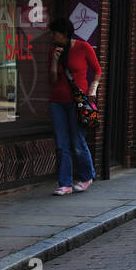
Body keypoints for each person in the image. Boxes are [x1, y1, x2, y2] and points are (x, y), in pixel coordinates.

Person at [48, 18, 100, 195]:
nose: (52, 37)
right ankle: (65, 183)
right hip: (57, 101)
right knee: (62, 144)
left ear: (63, 34)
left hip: (77, 101)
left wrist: (93, 88)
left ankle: (86, 176)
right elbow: (53, 81)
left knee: (77, 141)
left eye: (54, 33)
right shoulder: (54, 51)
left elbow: (98, 70)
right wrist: (55, 61)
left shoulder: (83, 47)